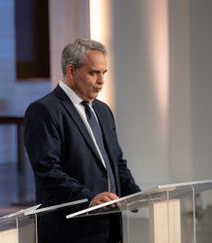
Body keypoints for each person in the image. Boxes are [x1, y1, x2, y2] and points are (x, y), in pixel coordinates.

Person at [24, 39, 141, 243]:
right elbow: (47, 170)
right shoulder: (44, 110)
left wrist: (136, 195)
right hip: (70, 230)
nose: (101, 81)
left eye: (104, 73)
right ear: (71, 71)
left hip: (108, 225)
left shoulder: (103, 111)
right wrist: (89, 198)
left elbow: (116, 162)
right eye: (94, 72)